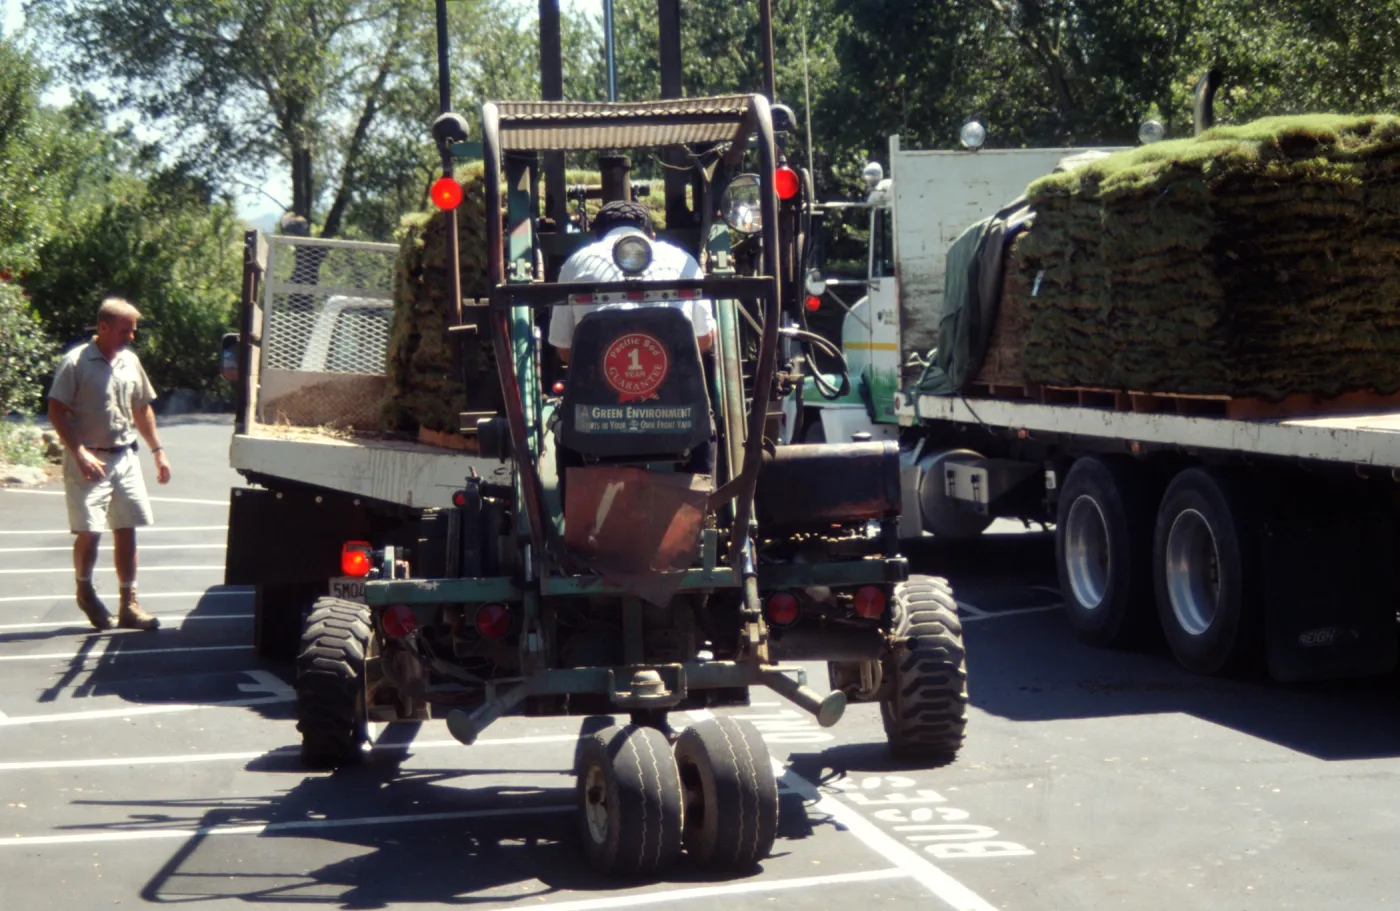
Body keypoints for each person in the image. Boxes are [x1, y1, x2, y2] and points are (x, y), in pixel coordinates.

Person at [47, 297, 171, 631]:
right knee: (90, 531)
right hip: (88, 458)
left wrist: (157, 450)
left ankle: (129, 604)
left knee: (126, 527)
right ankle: (85, 590)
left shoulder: (130, 361)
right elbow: (56, 410)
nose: (132, 336)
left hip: (124, 457)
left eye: (133, 330)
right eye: (125, 330)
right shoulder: (75, 363)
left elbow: (142, 407)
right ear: (103, 328)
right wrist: (79, 452)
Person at [548, 200, 716, 359]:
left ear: (595, 237)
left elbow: (565, 348)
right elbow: (703, 338)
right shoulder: (683, 260)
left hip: (599, 387)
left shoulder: (575, 262)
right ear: (653, 236)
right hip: (674, 385)